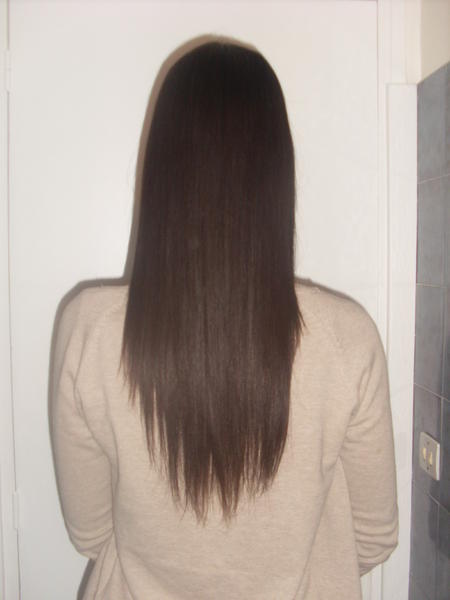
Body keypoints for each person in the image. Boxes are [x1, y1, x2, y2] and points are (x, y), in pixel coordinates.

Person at [50, 38, 398, 600]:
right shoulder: (344, 340)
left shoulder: (89, 331)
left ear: (161, 173)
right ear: (277, 174)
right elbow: (375, 537)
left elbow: (89, 531)